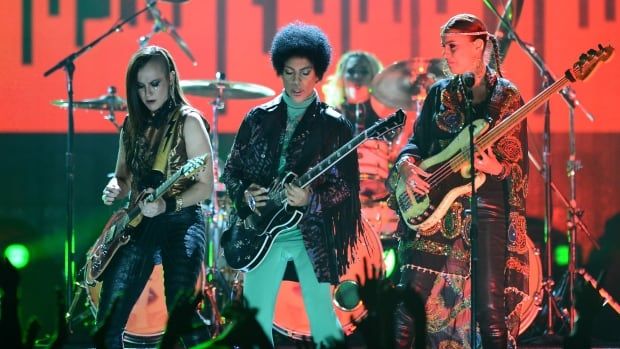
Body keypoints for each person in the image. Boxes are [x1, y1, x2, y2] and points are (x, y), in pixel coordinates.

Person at [388, 13, 529, 348]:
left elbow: (516, 165)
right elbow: (414, 142)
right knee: (407, 308)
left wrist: (496, 168)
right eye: (444, 47)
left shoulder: (507, 98)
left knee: (491, 314)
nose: (445, 55)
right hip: (436, 206)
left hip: (487, 208)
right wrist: (407, 165)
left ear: (479, 46)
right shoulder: (438, 93)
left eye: (452, 47)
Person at [220, 21, 362, 348]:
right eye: (289, 72)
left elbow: (347, 189)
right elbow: (232, 171)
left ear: (318, 74)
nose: (296, 81)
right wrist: (245, 194)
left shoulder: (334, 125)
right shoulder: (258, 117)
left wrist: (310, 198)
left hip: (308, 231)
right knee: (254, 323)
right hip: (262, 232)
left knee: (324, 322)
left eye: (304, 72)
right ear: (279, 72)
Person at [98, 45, 214, 348]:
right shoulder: (131, 125)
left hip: (181, 220)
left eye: (155, 84)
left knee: (182, 316)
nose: (148, 93)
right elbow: (123, 177)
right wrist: (116, 188)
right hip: (138, 224)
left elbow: (205, 185)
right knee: (107, 322)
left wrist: (168, 204)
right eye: (140, 86)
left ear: (171, 79)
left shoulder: (189, 121)